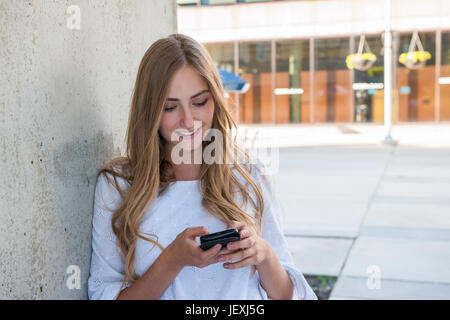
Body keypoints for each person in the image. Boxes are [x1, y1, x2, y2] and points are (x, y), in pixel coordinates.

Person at [87, 33, 317, 300]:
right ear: (149, 111)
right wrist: (172, 260)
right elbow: (103, 293)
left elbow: (290, 295)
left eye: (200, 102)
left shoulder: (248, 173)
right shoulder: (118, 184)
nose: (188, 120)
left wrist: (263, 254)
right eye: (170, 107)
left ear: (216, 101)